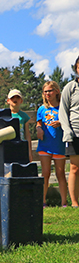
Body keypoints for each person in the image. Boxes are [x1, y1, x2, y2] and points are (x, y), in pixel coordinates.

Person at [36, 81, 68, 207]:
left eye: (50, 91)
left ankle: (64, 202)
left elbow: (68, 121)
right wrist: (38, 128)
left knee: (60, 173)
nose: (47, 94)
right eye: (45, 91)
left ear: (56, 91)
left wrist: (60, 122)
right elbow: (39, 123)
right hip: (45, 145)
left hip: (59, 145)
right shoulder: (42, 109)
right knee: (45, 173)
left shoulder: (62, 108)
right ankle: (42, 201)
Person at [60, 55, 79, 208]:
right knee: (74, 168)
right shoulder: (70, 87)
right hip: (74, 133)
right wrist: (67, 131)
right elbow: (63, 111)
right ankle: (74, 202)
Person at [7, 89, 33, 162]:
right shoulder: (5, 116)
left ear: (21, 101)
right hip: (8, 146)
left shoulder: (24, 116)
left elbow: (27, 135)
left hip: (21, 145)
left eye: (17, 98)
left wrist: (29, 152)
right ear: (8, 101)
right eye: (12, 98)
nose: (15, 99)